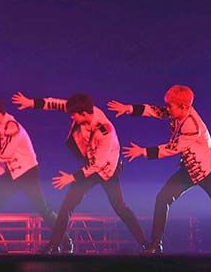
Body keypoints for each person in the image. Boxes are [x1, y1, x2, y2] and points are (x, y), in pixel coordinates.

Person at [108, 85, 211, 255]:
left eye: (170, 106)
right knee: (162, 198)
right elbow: (154, 111)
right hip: (189, 168)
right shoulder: (177, 111)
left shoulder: (192, 126)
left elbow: (171, 148)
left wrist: (143, 151)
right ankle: (155, 244)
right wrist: (128, 108)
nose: (167, 109)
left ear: (183, 107)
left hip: (204, 170)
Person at [13, 92, 146, 253]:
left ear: (83, 114)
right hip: (90, 163)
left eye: (74, 115)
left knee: (120, 207)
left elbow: (98, 165)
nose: (71, 118)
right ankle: (54, 245)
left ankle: (146, 244)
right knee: (67, 205)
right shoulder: (82, 110)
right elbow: (56, 103)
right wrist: (31, 102)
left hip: (107, 169)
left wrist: (72, 177)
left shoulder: (106, 131)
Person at [0, 97, 70, 253]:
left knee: (42, 209)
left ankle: (65, 241)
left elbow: (4, 155)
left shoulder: (11, 126)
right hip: (12, 174)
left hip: (26, 173)